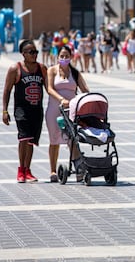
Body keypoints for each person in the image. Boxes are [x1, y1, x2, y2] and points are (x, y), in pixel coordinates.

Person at [2, 40, 48, 183]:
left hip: (37, 110)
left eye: (36, 52)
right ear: (23, 54)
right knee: (24, 138)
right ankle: (21, 170)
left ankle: (28, 170)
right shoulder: (15, 69)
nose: (34, 55)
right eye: (31, 52)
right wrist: (5, 110)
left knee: (31, 141)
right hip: (22, 110)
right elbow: (7, 90)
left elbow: (48, 88)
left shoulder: (42, 68)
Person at [45, 45, 89, 182]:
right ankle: (53, 170)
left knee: (72, 138)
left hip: (71, 110)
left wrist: (87, 100)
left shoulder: (75, 73)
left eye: (66, 56)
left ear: (71, 57)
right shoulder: (52, 70)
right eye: (61, 56)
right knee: (54, 139)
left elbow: (84, 89)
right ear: (57, 57)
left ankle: (77, 167)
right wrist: (61, 99)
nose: (64, 58)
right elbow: (50, 89)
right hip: (54, 108)